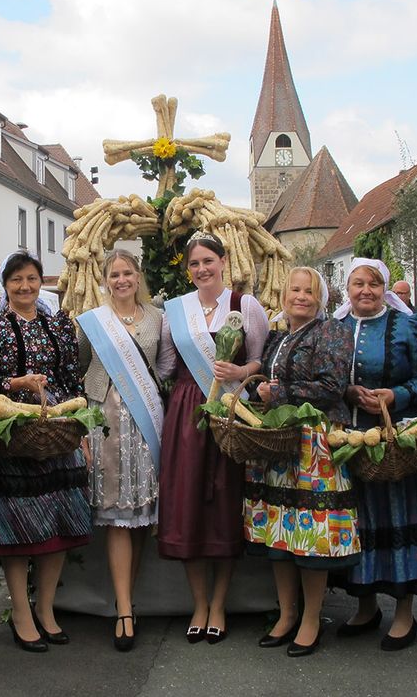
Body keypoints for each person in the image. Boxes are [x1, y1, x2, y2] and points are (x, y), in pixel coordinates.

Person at [0, 250, 91, 653]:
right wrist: (16, 383)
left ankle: (46, 609)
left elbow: (72, 381)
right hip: (10, 437)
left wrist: (80, 431)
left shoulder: (56, 325)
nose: (25, 286)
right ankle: (21, 612)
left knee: (58, 527)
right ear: (5, 285)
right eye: (16, 279)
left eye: (32, 278)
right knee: (16, 530)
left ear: (40, 282)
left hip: (55, 434)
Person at [156, 232, 269, 645]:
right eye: (194, 264)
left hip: (230, 413)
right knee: (187, 507)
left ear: (223, 261)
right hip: (188, 413)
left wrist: (240, 372)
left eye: (208, 261)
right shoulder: (175, 310)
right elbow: (166, 366)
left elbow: (259, 360)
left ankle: (219, 604)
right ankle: (199, 604)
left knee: (223, 506)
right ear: (187, 269)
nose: (202, 269)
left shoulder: (245, 305)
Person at [245, 266, 355, 657]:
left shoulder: (332, 333)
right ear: (284, 295)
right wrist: (261, 393)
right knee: (280, 532)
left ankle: (311, 619)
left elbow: (332, 387)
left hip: (315, 443)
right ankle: (287, 613)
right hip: (279, 444)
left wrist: (279, 393)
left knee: (311, 535)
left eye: (309, 291)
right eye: (295, 290)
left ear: (320, 298)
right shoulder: (277, 336)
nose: (301, 297)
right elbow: (266, 381)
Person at [331, 259, 417, 651]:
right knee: (360, 522)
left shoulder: (407, 325)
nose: (365, 291)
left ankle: (404, 612)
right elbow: (328, 377)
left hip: (397, 441)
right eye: (358, 283)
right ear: (348, 289)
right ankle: (366, 606)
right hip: (350, 440)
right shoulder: (337, 327)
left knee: (398, 517)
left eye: (374, 284)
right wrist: (346, 392)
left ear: (384, 289)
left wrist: (396, 395)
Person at [76, 250, 163, 652]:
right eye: (114, 274)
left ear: (138, 276)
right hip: (107, 422)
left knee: (140, 516)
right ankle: (125, 610)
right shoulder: (92, 322)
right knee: (117, 516)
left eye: (128, 272)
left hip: (146, 422)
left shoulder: (157, 318)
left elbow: (165, 369)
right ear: (106, 279)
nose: (122, 279)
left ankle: (127, 596)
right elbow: (80, 369)